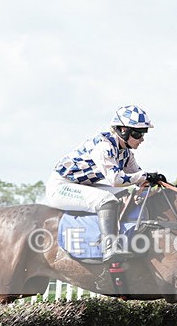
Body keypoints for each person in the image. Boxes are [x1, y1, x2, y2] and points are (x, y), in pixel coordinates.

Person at [45, 105, 167, 263]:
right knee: (107, 199)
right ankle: (109, 248)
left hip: (82, 185)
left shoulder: (126, 153)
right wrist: (144, 176)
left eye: (144, 133)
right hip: (60, 187)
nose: (142, 139)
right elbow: (115, 179)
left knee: (124, 194)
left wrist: (153, 182)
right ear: (123, 130)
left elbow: (137, 178)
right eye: (138, 134)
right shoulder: (104, 146)